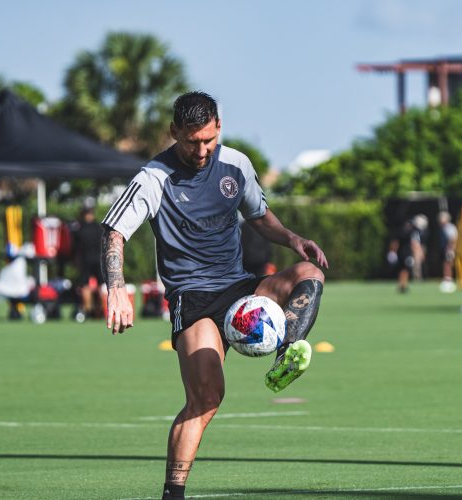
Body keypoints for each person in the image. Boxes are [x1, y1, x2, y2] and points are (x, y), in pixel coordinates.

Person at [100, 91, 327, 499]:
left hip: (240, 289)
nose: (202, 150)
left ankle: (286, 353)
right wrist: (116, 289)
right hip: (194, 299)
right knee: (206, 399)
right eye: (192, 141)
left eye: (208, 139)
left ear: (218, 126)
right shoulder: (153, 178)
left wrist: (293, 238)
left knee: (308, 274)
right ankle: (173, 494)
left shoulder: (235, 164)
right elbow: (115, 232)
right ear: (174, 133)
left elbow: (258, 215)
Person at [72, 206, 105, 318]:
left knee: (85, 286)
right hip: (98, 260)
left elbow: (75, 248)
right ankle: (101, 311)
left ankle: (88, 310)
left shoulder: (79, 229)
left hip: (85, 260)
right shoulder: (99, 228)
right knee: (101, 286)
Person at [387, 215, 424, 292]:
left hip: (401, 254)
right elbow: (414, 244)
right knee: (405, 269)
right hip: (407, 254)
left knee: (403, 269)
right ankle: (403, 284)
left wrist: (393, 252)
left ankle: (402, 284)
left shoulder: (402, 232)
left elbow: (395, 243)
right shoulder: (410, 233)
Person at [438, 211, 458, 293]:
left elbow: (452, 239)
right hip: (445, 248)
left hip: (449, 249)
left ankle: (448, 279)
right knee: (445, 264)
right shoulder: (443, 227)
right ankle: (446, 278)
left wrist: (450, 249)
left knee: (448, 264)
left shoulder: (449, 227)